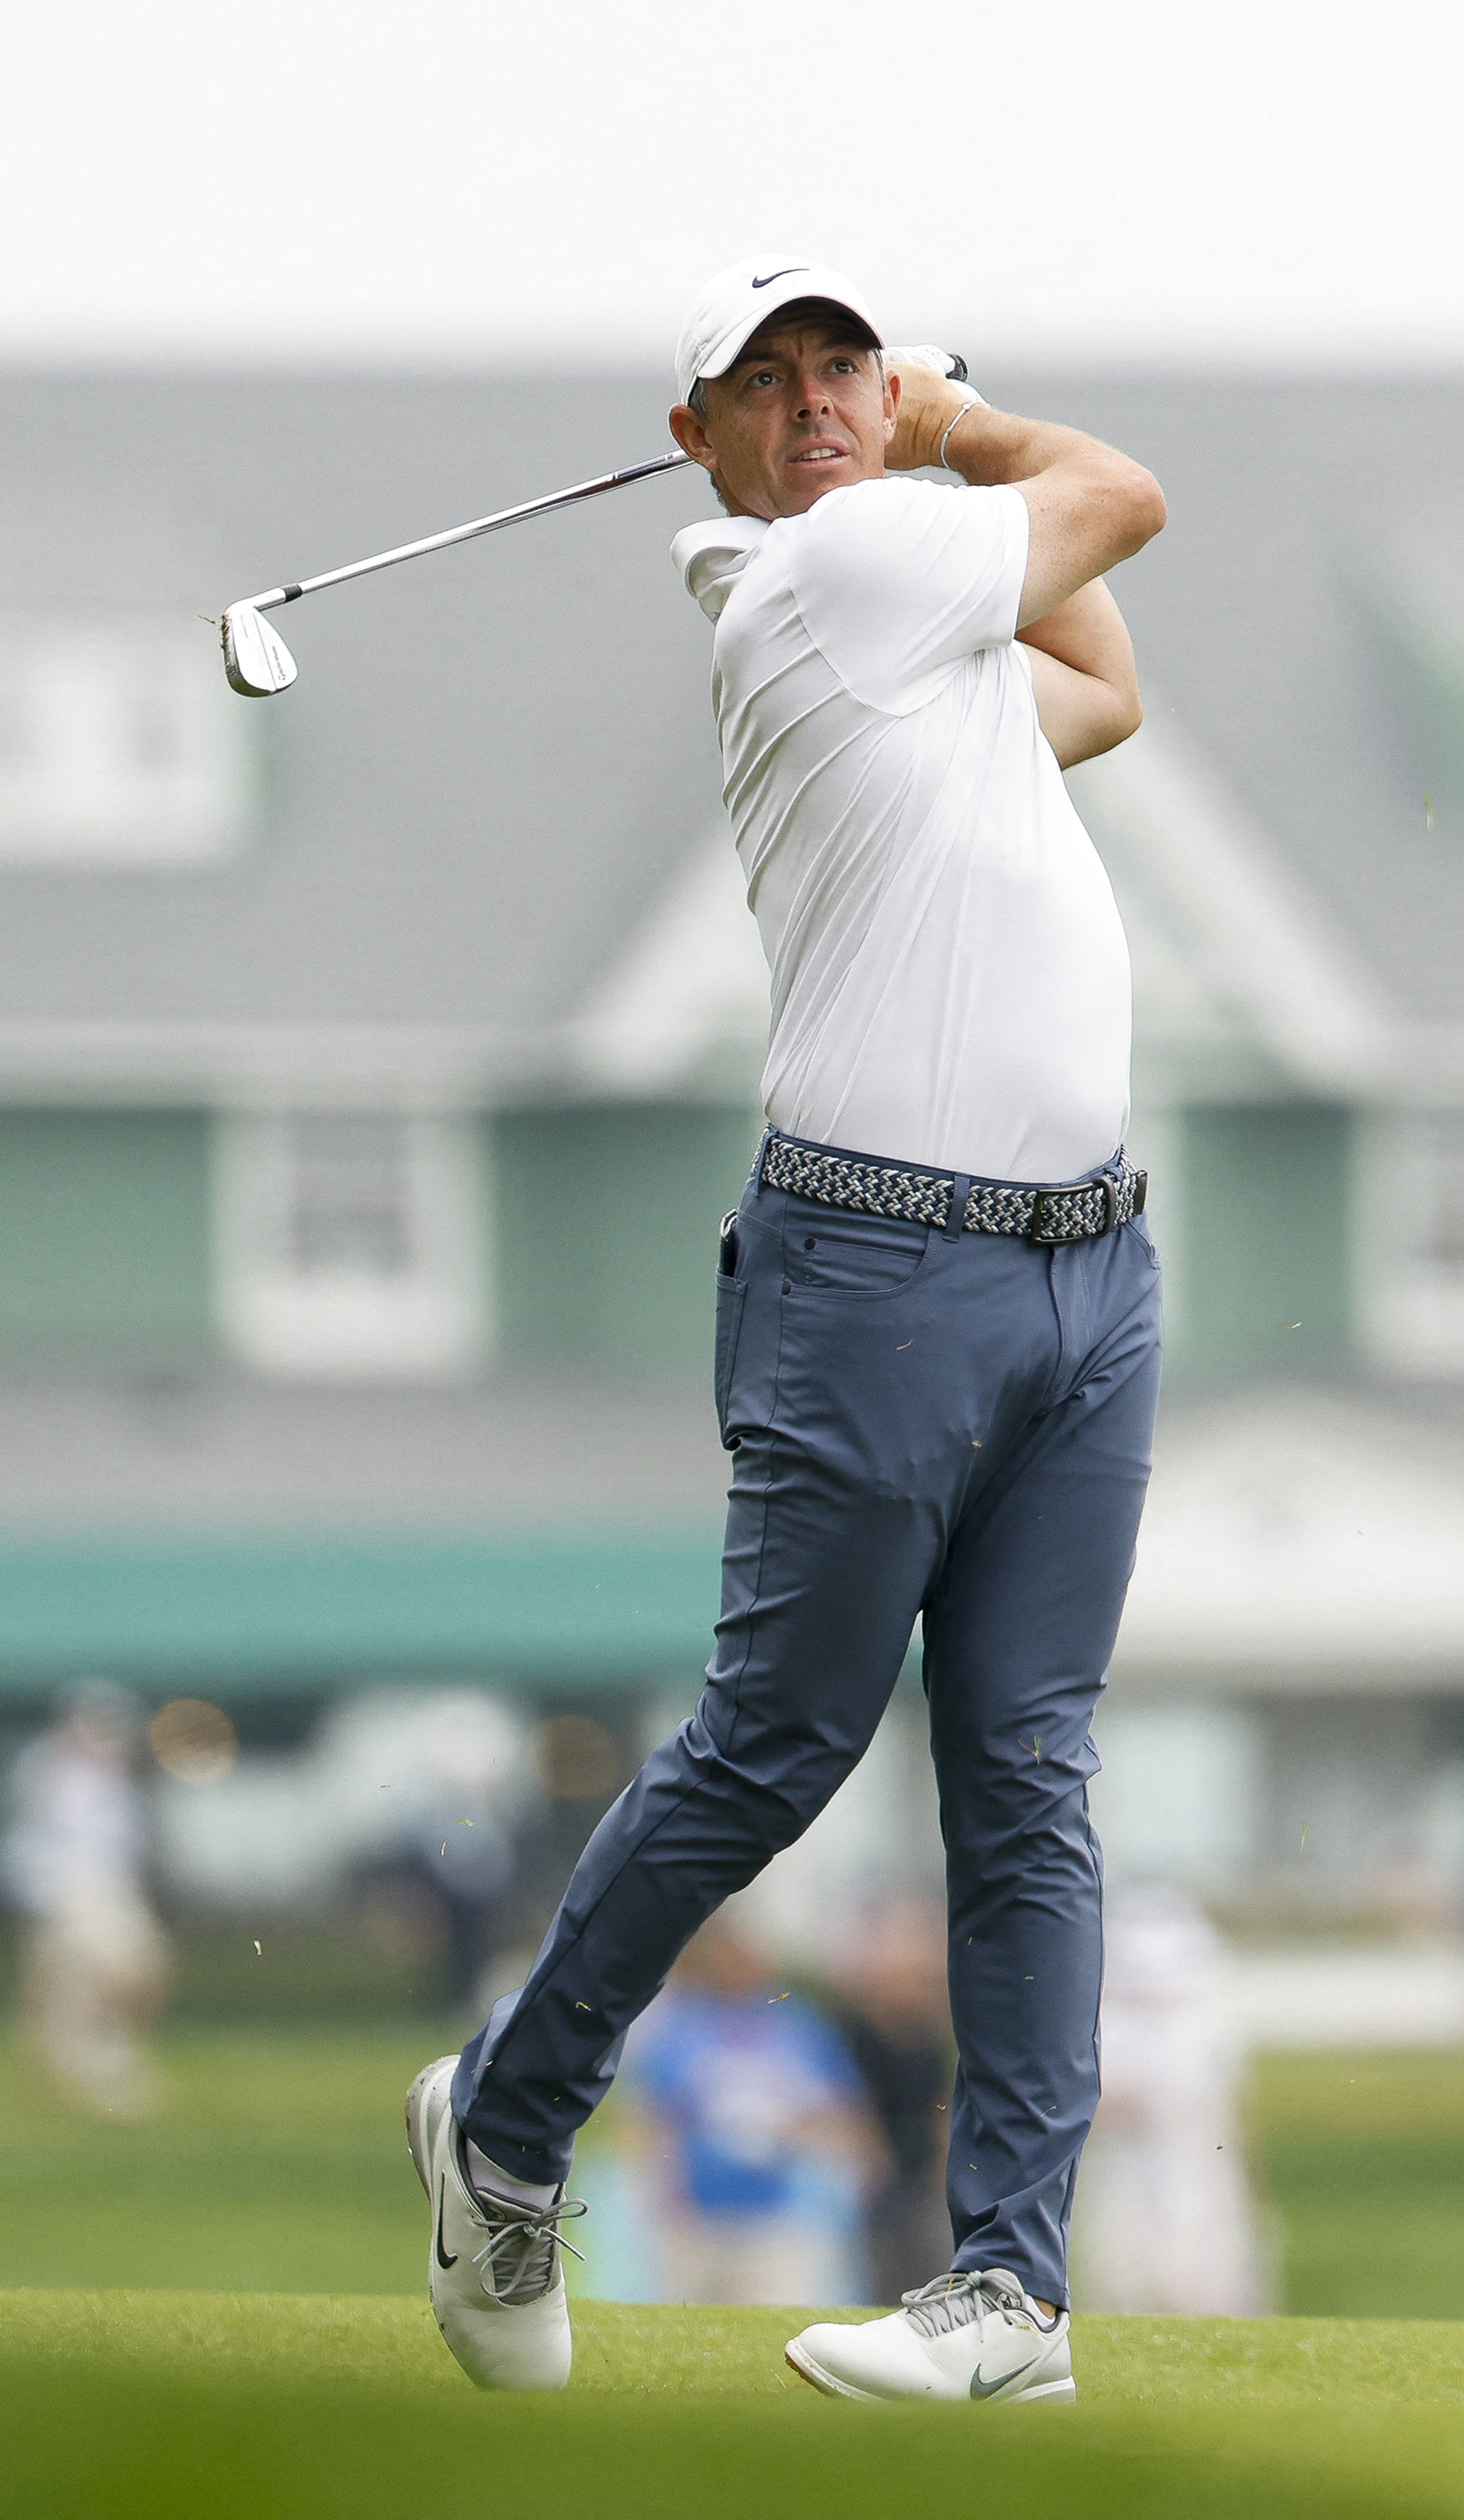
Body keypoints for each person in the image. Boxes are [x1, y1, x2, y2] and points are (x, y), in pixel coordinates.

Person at [410, 262, 1167, 2408]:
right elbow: (1123, 496)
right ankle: (505, 2125)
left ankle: (1004, 2292)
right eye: (770, 380)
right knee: (779, 1744)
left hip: (1088, 1273)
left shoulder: (918, 634)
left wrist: (939, 444)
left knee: (1027, 1776)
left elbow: (1102, 681)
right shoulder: (828, 580)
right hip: (879, 1271)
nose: (820, 400)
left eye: (843, 363)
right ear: (701, 438)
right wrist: (948, 422)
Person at [618, 1911, 879, 2306]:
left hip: (777, 2219)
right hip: (696, 2217)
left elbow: (842, 2110)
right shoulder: (681, 2029)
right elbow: (652, 2117)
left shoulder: (798, 2027)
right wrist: (659, 2188)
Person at [1076, 1883, 1272, 2318]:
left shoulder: (1201, 2024)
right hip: (1126, 2172)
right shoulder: (1111, 2024)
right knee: (1127, 2268)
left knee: (1202, 2267)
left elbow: (1225, 2109)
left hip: (1195, 2169)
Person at [2, 1685, 169, 2118]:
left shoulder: (116, 1783)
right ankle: (88, 2067)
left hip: (106, 1885)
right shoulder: (54, 1772)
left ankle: (90, 2056)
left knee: (115, 1978)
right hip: (71, 1886)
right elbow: (41, 1837)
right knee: (103, 1975)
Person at [822, 1890, 958, 2305]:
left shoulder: (927, 2037)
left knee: (928, 2258)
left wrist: (944, 2163)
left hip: (919, 2166)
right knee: (876, 2265)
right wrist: (871, 2156)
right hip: (875, 2170)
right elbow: (850, 2099)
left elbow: (939, 2102)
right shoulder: (856, 2032)